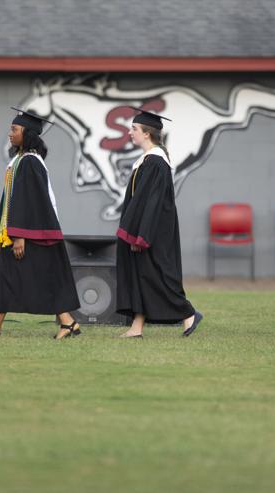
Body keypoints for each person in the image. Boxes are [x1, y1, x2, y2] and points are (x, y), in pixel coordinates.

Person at [0, 108, 81, 340]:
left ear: (27, 134)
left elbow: (30, 201)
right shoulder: (19, 161)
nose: (10, 134)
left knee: (35, 278)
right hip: (20, 233)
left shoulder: (30, 162)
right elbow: (9, 198)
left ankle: (68, 323)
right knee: (9, 278)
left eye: (14, 129)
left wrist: (19, 236)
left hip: (30, 236)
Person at [115, 108, 203, 339]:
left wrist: (140, 235)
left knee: (157, 276)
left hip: (152, 231)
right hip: (145, 229)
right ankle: (137, 326)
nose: (130, 132)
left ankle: (189, 314)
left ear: (147, 134)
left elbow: (151, 203)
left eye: (134, 129)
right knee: (142, 276)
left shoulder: (155, 162)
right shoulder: (146, 160)